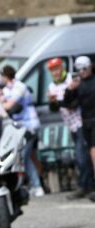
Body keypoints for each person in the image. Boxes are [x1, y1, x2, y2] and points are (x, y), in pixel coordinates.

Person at [46, 57, 94, 199]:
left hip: (81, 122)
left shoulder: (72, 80)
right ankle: (86, 185)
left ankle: (85, 186)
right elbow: (54, 109)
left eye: (57, 69)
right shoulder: (52, 86)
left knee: (81, 155)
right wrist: (52, 102)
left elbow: (73, 103)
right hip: (70, 125)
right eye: (52, 70)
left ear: (62, 67)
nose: (55, 72)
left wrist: (63, 96)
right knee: (81, 156)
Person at [0, 65, 44, 197]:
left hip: (29, 126)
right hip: (18, 127)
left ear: (6, 76)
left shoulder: (19, 87)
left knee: (24, 156)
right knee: (30, 156)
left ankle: (35, 185)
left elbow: (8, 106)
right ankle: (37, 184)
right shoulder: (7, 89)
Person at [64, 56, 95, 202]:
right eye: (79, 69)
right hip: (86, 122)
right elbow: (69, 105)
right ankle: (88, 185)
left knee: (93, 152)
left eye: (84, 68)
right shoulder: (79, 85)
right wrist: (69, 90)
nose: (81, 72)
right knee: (87, 155)